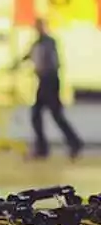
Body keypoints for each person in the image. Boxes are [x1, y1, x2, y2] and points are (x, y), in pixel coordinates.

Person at [15, 18, 82, 160]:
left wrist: (43, 71)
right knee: (43, 115)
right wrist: (15, 65)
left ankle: (49, 147)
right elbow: (27, 56)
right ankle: (69, 143)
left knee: (45, 115)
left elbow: (52, 61)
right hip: (45, 81)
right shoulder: (37, 43)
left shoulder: (49, 42)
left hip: (49, 81)